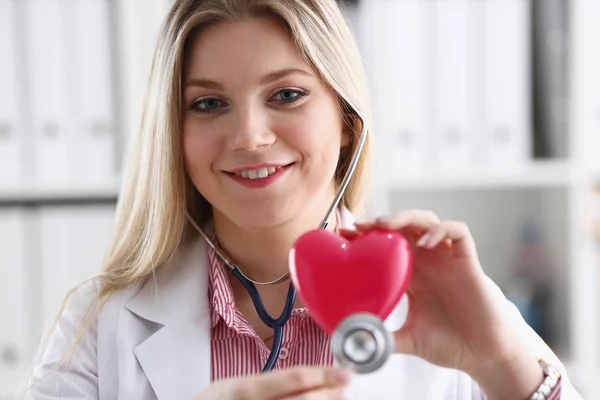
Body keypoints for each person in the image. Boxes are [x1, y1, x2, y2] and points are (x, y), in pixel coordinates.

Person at [21, 0, 582, 399]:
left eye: (286, 95)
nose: (248, 136)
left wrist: (501, 364)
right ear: (174, 132)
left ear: (345, 118)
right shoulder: (103, 322)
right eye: (208, 105)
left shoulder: (450, 303)